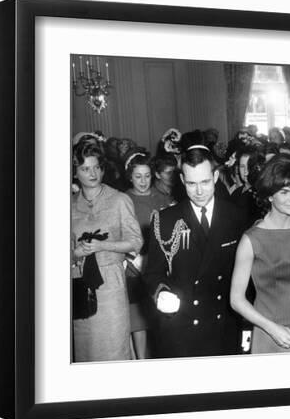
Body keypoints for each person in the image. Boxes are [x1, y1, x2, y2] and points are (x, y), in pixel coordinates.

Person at [143, 145, 245, 358]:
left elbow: (248, 278)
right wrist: (162, 293)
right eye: (191, 183)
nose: (199, 191)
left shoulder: (236, 217)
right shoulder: (165, 220)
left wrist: (247, 326)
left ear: (216, 176)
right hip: (181, 330)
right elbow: (153, 274)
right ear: (182, 181)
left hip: (224, 327)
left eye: (205, 182)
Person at [230, 155, 290, 354]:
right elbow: (236, 299)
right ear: (269, 195)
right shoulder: (251, 240)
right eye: (285, 192)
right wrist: (271, 329)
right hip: (269, 334)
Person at [71, 138, 143, 362]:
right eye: (85, 169)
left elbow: (135, 242)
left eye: (96, 167)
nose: (92, 173)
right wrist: (75, 253)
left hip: (111, 283)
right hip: (80, 284)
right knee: (85, 351)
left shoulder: (120, 200)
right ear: (75, 172)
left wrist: (103, 245)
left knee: (114, 349)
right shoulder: (68, 205)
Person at [124, 150, 174, 359]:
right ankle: (141, 362)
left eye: (147, 176)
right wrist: (130, 259)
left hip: (160, 266)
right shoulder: (124, 200)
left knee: (160, 315)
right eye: (138, 176)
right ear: (130, 176)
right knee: (138, 321)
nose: (143, 181)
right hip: (134, 266)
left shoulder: (163, 198)